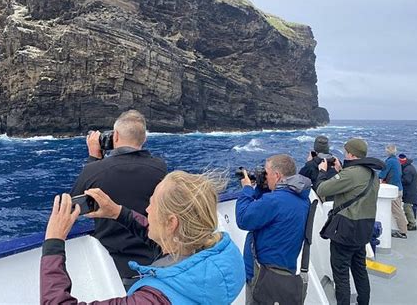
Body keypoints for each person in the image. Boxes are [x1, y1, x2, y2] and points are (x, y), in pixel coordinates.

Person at [41, 171, 246, 304]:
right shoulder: (226, 256)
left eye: (153, 203)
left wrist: (54, 242)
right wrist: (118, 213)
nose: (147, 209)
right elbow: (167, 246)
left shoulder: (154, 299)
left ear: (171, 223)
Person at [70, 110, 167, 289]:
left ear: (115, 136)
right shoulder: (160, 168)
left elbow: (74, 207)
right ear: (144, 138)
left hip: (114, 264)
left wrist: (94, 158)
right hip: (154, 258)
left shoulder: (93, 171)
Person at [315, 138, 384, 305]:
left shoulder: (351, 174)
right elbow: (356, 188)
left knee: (341, 275)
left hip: (346, 231)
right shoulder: (373, 175)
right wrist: (341, 170)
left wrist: (323, 172)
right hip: (363, 231)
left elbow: (321, 189)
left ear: (351, 154)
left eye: (346, 152)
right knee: (360, 271)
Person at [236, 154, 311, 304]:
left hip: (262, 275)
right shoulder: (303, 199)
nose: (265, 176)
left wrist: (247, 190)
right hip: (286, 270)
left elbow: (243, 219)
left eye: (267, 172)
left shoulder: (274, 201)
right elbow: (273, 210)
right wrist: (262, 188)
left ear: (277, 175)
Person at [379, 144, 408, 239]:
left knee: (396, 211)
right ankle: (404, 227)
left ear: (387, 151)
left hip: (393, 190)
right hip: (399, 188)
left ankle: (403, 231)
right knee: (399, 209)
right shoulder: (397, 161)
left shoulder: (389, 162)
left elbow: (382, 174)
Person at [398, 153, 417, 231]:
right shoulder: (410, 167)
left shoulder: (407, 169)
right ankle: (412, 222)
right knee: (412, 208)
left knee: (407, 208)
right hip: (413, 192)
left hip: (410, 193)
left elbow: (407, 180)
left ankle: (412, 224)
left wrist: (398, 179)